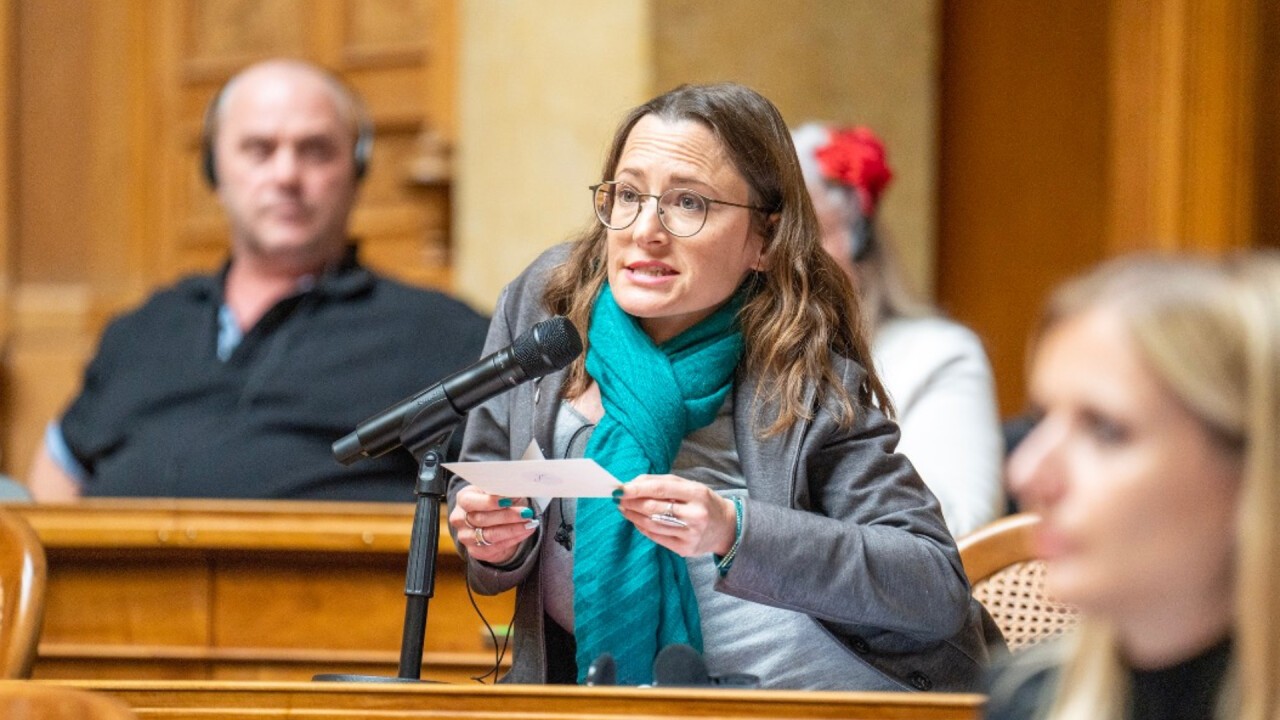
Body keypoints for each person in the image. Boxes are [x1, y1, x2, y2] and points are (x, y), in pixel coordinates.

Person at [447, 82, 1000, 690]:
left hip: (824, 699)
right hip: (601, 695)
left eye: (689, 204)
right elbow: (486, 484)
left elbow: (931, 583)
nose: (646, 230)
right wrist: (492, 542)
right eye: (628, 195)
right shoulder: (545, 310)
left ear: (763, 240)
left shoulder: (800, 365)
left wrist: (735, 529)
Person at [26, 59, 488, 502]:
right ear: (214, 171)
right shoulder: (144, 328)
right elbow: (59, 469)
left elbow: (500, 496)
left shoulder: (441, 334)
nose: (286, 175)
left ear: (357, 169)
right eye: (259, 150)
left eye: (315, 150)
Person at [985, 252, 1280, 719]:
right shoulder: (1029, 698)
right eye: (1041, 419)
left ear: (1255, 469)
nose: (1025, 473)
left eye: (1104, 430)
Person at [791, 122, 1004, 538]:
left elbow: (963, 527)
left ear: (861, 242)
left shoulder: (938, 355)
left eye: (811, 231)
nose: (789, 255)